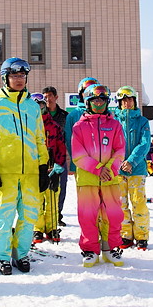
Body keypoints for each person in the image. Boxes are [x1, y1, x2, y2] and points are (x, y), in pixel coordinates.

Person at [0, 57, 49, 275]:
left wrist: (43, 166)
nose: (19, 80)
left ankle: (21, 253)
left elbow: (40, 138)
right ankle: (2, 256)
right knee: (4, 215)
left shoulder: (32, 106)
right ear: (5, 78)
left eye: (22, 76)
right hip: (5, 171)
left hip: (30, 171)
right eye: (14, 76)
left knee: (29, 215)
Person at [72, 84, 126, 268]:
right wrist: (97, 168)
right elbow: (78, 154)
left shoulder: (115, 125)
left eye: (102, 100)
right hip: (87, 178)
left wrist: (110, 168)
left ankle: (112, 247)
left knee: (113, 213)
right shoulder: (79, 127)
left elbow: (120, 149)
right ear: (87, 102)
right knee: (88, 215)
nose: (99, 103)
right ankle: (90, 249)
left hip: (110, 178)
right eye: (95, 100)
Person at [113, 85, 151, 251]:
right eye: (123, 100)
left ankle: (142, 236)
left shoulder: (142, 121)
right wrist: (119, 161)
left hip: (136, 169)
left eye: (129, 99)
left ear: (134, 101)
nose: (127, 103)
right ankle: (125, 235)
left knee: (138, 203)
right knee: (121, 204)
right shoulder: (114, 120)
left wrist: (131, 161)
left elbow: (145, 143)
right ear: (119, 103)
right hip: (118, 170)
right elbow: (112, 143)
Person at [30, 93, 66, 244]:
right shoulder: (29, 126)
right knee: (36, 200)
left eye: (41, 105)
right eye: (36, 106)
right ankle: (37, 228)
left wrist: (58, 167)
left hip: (52, 168)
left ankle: (52, 227)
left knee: (52, 199)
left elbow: (61, 148)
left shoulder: (54, 126)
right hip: (35, 169)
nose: (39, 108)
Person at [64, 77, 99, 228]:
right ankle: (88, 226)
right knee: (85, 197)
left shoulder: (105, 114)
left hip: (102, 164)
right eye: (87, 91)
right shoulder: (73, 115)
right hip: (82, 165)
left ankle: (101, 225)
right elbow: (69, 140)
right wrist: (77, 161)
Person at [42, 86, 69, 223]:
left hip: (59, 156)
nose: (48, 99)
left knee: (60, 185)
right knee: (43, 186)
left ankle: (57, 214)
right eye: (45, 97)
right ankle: (43, 216)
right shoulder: (39, 115)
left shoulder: (64, 116)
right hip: (42, 158)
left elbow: (68, 137)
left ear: (56, 97)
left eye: (50, 96)